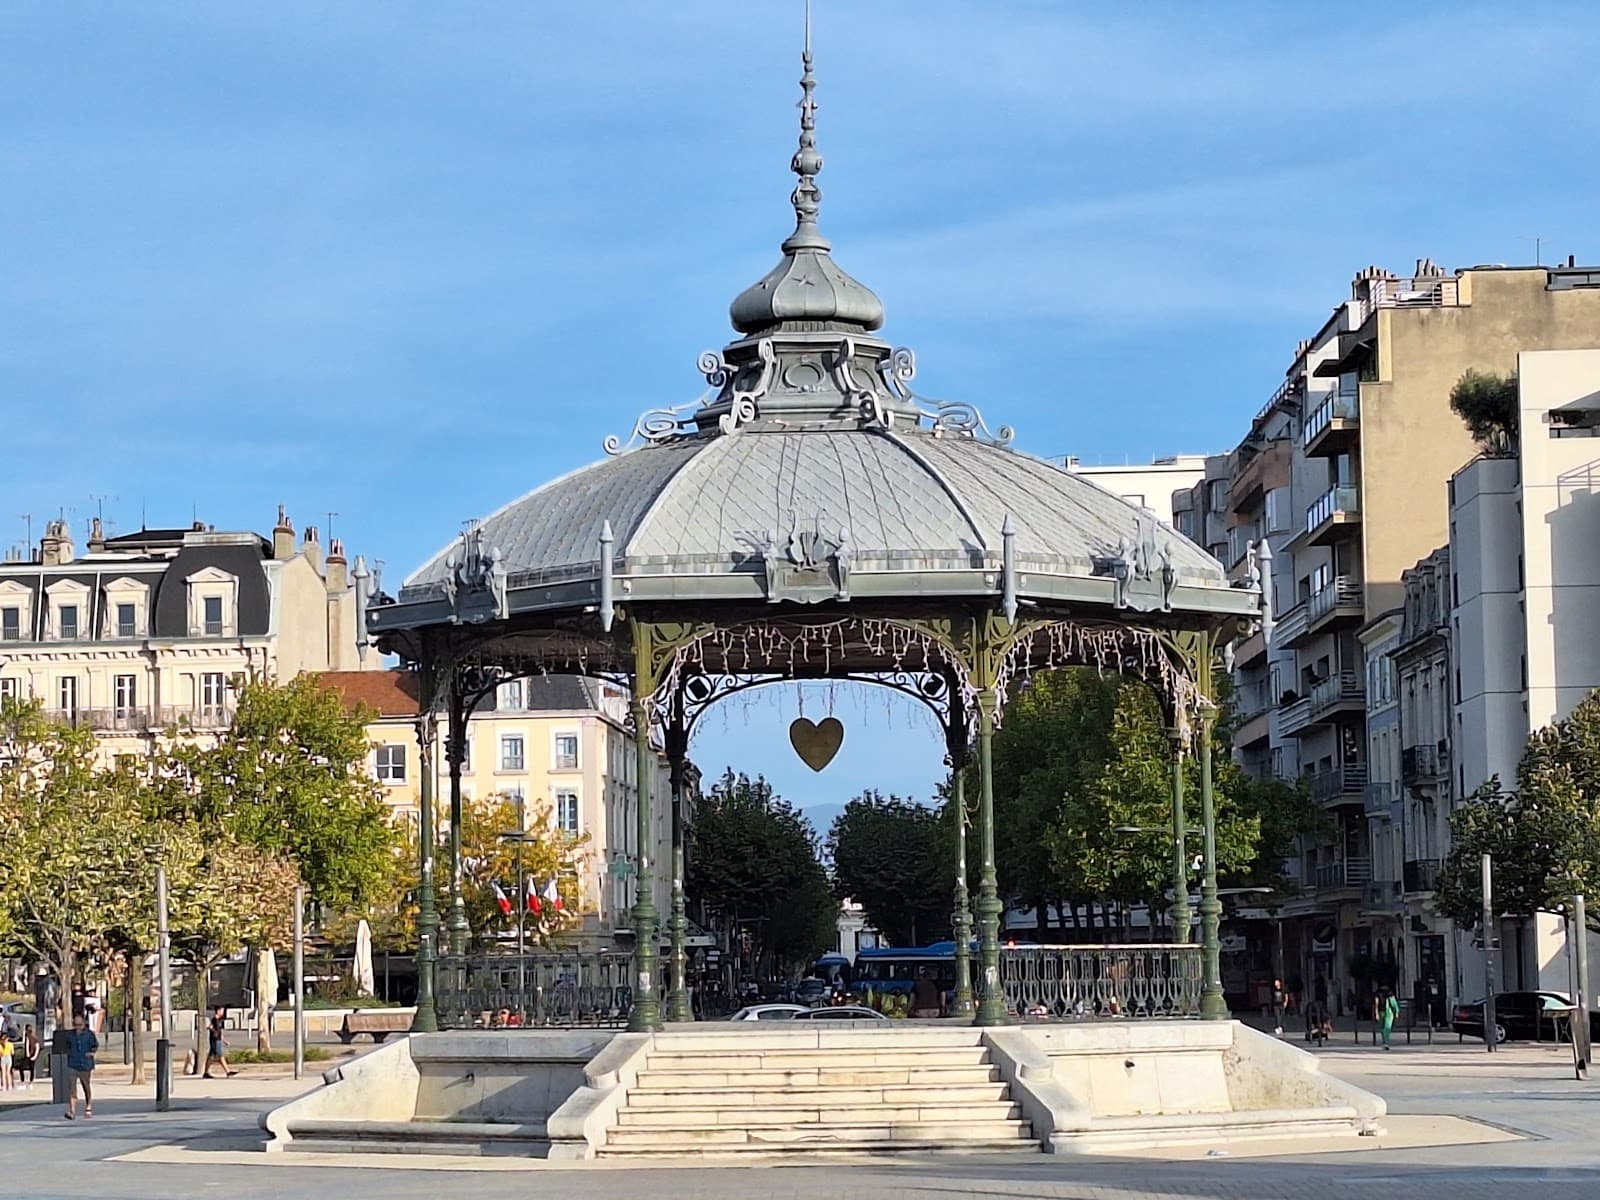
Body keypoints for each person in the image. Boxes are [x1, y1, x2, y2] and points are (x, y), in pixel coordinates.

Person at [63, 1011, 98, 1119]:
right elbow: (66, 1046)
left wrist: (91, 1053)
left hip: (85, 1064)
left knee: (86, 1086)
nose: (77, 1028)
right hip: (73, 1063)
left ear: (84, 1024)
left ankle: (88, 1105)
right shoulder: (70, 1035)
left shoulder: (89, 1034)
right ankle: (72, 1111)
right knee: (72, 1088)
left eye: (80, 1025)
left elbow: (95, 1045)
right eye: (75, 1025)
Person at [203, 1007, 238, 1078]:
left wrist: (224, 1041)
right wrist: (211, 1029)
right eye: (222, 1011)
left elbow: (219, 1032)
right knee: (220, 1056)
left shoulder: (219, 1020)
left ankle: (206, 1072)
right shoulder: (214, 1020)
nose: (223, 1012)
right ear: (218, 1011)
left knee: (211, 1057)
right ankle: (228, 1071)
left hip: (218, 1040)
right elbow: (212, 1029)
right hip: (215, 1040)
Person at [0, 1027, 13, 1091]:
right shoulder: (10, 1044)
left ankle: (4, 1086)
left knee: (3, 1072)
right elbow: (12, 1053)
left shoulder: (0, 1045)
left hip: (3, 1058)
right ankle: (10, 1086)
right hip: (9, 1057)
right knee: (8, 1072)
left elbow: (0, 1054)